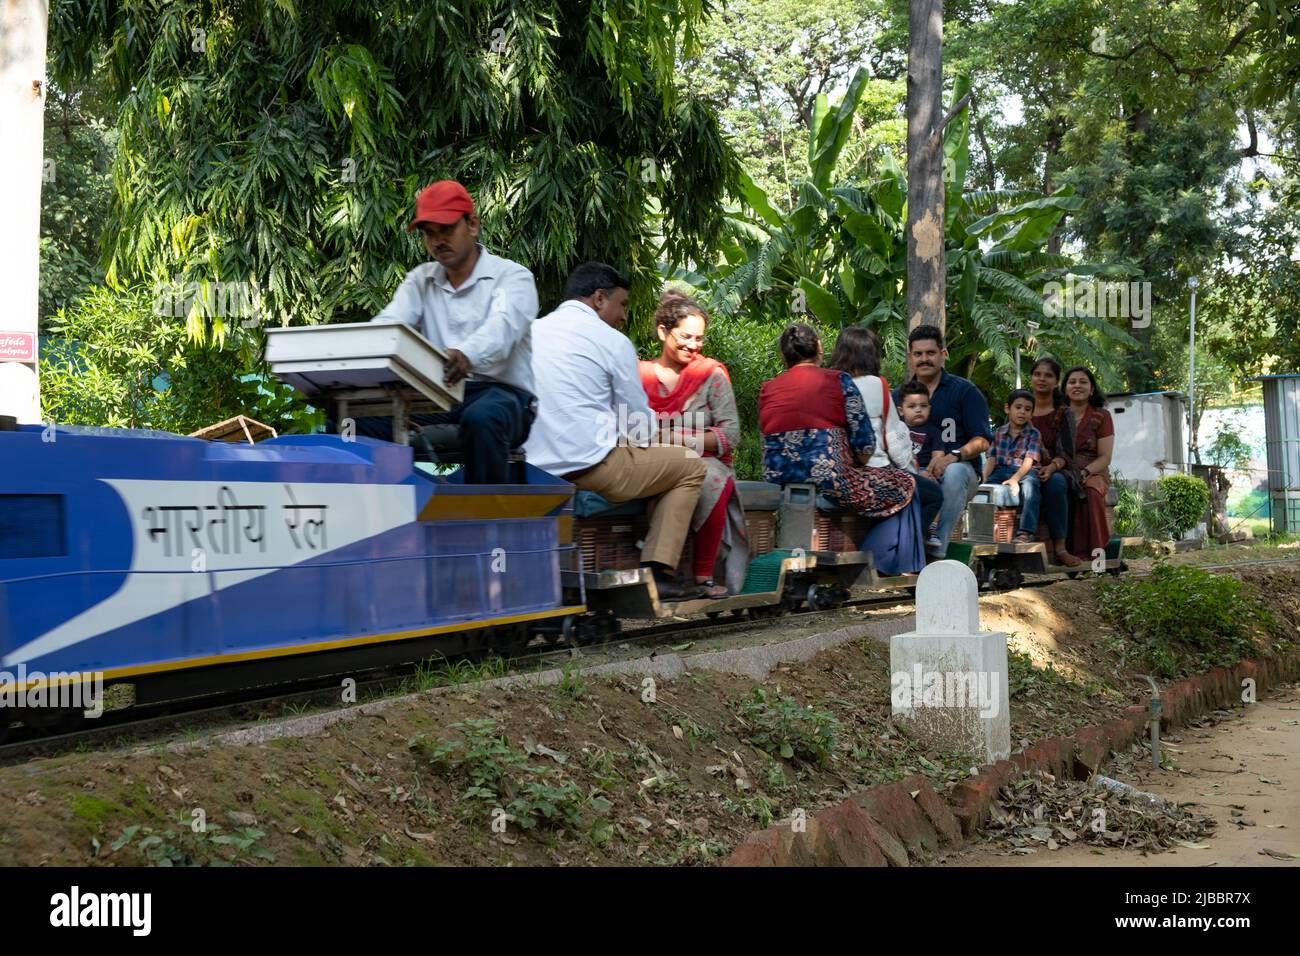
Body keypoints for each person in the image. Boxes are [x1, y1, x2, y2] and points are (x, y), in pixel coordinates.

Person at [524, 263, 706, 599]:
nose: (623, 315)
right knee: (690, 466)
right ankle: (659, 570)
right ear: (598, 298)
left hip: (534, 467)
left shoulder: (531, 332)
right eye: (621, 304)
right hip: (590, 468)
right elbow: (638, 426)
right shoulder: (613, 341)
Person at [362, 180, 538, 484]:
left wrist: (467, 354)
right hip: (437, 397)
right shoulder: (420, 280)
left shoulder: (512, 277)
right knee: (351, 421)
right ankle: (379, 515)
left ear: (472, 225)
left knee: (482, 418)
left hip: (504, 396)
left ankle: (485, 520)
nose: (438, 241)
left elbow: (503, 327)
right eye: (429, 233)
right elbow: (390, 325)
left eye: (445, 229)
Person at [760, 323, 921, 573]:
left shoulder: (768, 388)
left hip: (779, 479)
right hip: (831, 479)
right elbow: (865, 443)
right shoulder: (838, 381)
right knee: (905, 483)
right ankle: (874, 558)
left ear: (784, 356)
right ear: (820, 349)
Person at [639, 291, 747, 598]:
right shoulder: (641, 374)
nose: (693, 345)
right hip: (652, 458)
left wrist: (681, 440)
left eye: (699, 339)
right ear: (663, 331)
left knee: (709, 478)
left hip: (705, 460)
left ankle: (702, 575)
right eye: (686, 336)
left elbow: (731, 433)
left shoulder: (711, 375)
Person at [829, 326, 943, 548]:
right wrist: (910, 470)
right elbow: (894, 438)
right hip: (874, 470)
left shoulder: (831, 383)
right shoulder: (877, 385)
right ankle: (907, 547)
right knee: (933, 495)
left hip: (837, 470)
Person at [892, 324, 993, 558]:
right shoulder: (898, 396)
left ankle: (937, 548)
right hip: (913, 471)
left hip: (960, 472)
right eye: (918, 354)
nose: (924, 359)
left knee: (954, 472)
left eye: (930, 353)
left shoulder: (965, 392)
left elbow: (983, 440)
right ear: (910, 357)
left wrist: (953, 456)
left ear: (943, 353)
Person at [1028, 356, 1081, 566]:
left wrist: (1050, 468)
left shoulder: (1063, 412)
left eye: (1048, 375)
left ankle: (1060, 548)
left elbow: (1067, 453)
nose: (1042, 379)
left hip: (1056, 467)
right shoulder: (1021, 407)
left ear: (1056, 382)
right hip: (1020, 467)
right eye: (1037, 374)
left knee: (1056, 484)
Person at [1062, 365, 1115, 561]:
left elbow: (1105, 456)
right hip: (1062, 470)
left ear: (1092, 389)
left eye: (1083, 382)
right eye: (1072, 382)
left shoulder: (1102, 416)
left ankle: (1096, 557)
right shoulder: (1057, 415)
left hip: (1093, 472)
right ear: (1065, 388)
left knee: (1090, 494)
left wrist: (1084, 473)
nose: (1077, 386)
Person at [983, 389, 1045, 543]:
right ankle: (984, 529)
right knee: (983, 491)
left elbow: (1029, 461)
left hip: (1024, 471)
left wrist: (1015, 479)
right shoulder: (998, 432)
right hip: (1000, 470)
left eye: (1027, 409)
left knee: (1031, 487)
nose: (1022, 412)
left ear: (1031, 413)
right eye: (1018, 407)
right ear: (1007, 409)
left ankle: (1026, 531)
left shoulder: (1034, 433)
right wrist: (984, 477)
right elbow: (992, 458)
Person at [898, 380, 941, 473]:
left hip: (925, 470)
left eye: (923, 406)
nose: (918, 410)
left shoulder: (934, 431)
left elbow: (938, 455)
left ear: (929, 409)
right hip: (902, 471)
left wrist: (929, 471)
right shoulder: (896, 430)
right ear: (901, 411)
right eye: (912, 406)